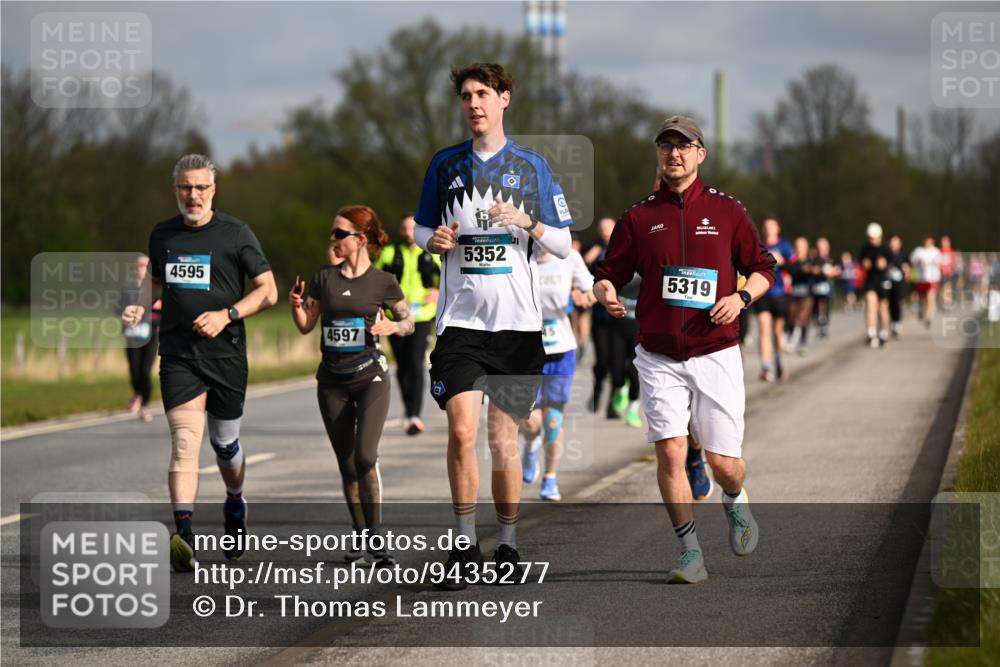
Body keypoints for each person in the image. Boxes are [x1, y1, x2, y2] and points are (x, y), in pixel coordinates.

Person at [594, 115, 775, 584]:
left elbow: (762, 268)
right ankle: (689, 552)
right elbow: (607, 272)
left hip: (714, 350)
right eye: (665, 146)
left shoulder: (728, 210)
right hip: (658, 354)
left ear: (700, 154)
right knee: (671, 454)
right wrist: (606, 291)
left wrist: (741, 297)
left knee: (725, 465)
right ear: (658, 154)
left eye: (683, 145)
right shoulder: (638, 217)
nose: (673, 153)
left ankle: (735, 501)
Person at [414, 62, 573, 588]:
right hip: (460, 325)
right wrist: (430, 241)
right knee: (462, 431)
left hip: (516, 328)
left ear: (505, 98)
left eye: (483, 93)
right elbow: (419, 227)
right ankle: (463, 546)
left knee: (503, 441)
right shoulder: (445, 165)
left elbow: (564, 244)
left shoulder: (531, 167)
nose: (474, 103)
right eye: (466, 95)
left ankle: (506, 544)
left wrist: (527, 221)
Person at [122, 154, 278, 572]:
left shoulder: (235, 234)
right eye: (185, 187)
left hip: (226, 355)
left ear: (213, 190)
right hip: (178, 355)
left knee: (225, 447)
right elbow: (155, 283)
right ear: (175, 190)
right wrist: (140, 307)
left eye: (201, 187)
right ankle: (184, 536)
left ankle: (234, 500)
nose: (193, 195)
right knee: (184, 443)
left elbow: (268, 291)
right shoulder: (163, 235)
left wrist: (227, 315)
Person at [290, 205, 413, 566]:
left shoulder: (383, 282)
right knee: (346, 465)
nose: (333, 239)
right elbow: (305, 324)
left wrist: (394, 327)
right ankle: (360, 537)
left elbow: (407, 321)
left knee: (365, 457)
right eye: (333, 233)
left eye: (340, 234)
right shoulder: (323, 278)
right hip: (331, 380)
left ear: (360, 240)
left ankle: (377, 537)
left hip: (370, 377)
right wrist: (296, 306)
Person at [519, 245, 594, 500]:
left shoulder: (569, 257)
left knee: (553, 421)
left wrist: (585, 297)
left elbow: (591, 288)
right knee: (530, 422)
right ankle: (530, 445)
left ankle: (550, 479)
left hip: (561, 349)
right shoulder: (519, 253)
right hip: (526, 351)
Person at [376, 214, 441, 435]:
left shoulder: (431, 253)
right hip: (394, 317)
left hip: (422, 316)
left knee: (415, 361)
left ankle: (415, 414)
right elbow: (374, 279)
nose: (407, 233)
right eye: (404, 228)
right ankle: (409, 409)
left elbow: (450, 276)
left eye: (412, 228)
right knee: (402, 364)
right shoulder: (388, 253)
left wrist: (438, 291)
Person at [585, 217, 622, 416]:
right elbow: (585, 277)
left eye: (608, 228)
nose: (605, 231)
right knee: (602, 361)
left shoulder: (626, 247)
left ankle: (612, 405)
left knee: (618, 364)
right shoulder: (595, 250)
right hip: (600, 316)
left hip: (621, 316)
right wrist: (588, 259)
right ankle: (597, 392)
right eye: (601, 228)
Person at [119, 254, 160, 422]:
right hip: (132, 335)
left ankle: (145, 405)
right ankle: (137, 393)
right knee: (134, 371)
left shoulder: (156, 287)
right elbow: (117, 308)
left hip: (151, 334)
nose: (141, 268)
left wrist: (155, 305)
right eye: (138, 265)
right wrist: (125, 313)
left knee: (145, 370)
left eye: (144, 265)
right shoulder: (128, 287)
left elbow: (171, 307)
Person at [754, 217, 793, 381]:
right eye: (766, 226)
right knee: (763, 329)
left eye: (772, 226)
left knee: (777, 333)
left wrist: (783, 262)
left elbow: (796, 266)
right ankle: (765, 367)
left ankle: (779, 362)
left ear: (778, 229)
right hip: (762, 293)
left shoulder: (784, 246)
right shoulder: (759, 246)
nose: (769, 228)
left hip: (779, 293)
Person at [859, 222, 892, 348]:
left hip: (883, 280)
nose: (873, 241)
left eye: (875, 238)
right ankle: (871, 333)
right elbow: (861, 261)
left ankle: (883, 333)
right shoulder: (865, 248)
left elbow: (891, 262)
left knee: (882, 308)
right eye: (870, 238)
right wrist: (864, 264)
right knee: (870, 305)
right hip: (871, 280)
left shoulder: (885, 248)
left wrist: (885, 264)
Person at [786, 236, 817, 355]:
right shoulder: (792, 262)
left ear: (806, 247)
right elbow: (790, 270)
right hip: (794, 294)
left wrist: (813, 271)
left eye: (802, 246)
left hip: (807, 293)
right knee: (792, 316)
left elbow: (817, 270)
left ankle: (802, 343)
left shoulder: (812, 261)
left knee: (804, 316)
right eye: (798, 246)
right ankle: (791, 333)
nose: (800, 248)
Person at [810, 238, 840, 338]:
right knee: (816, 306)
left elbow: (838, 270)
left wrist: (833, 272)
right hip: (816, 287)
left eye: (824, 247)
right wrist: (816, 271)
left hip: (828, 287)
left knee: (826, 305)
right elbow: (811, 269)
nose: (822, 250)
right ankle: (818, 321)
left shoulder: (832, 259)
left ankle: (824, 323)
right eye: (820, 248)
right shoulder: (814, 259)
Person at [910, 236, 942, 326]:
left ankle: (929, 317)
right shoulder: (918, 251)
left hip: (933, 279)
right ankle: (921, 309)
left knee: (930, 297)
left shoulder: (936, 251)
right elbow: (912, 261)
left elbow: (941, 262)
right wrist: (918, 261)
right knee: (922, 298)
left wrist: (936, 262)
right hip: (921, 279)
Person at [887, 234, 909, 339]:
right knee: (889, 303)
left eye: (896, 242)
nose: (894, 244)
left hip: (899, 283)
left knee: (897, 302)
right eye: (892, 241)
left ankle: (897, 322)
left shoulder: (903, 255)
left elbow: (908, 267)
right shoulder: (886, 254)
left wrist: (907, 272)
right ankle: (892, 322)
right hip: (887, 282)